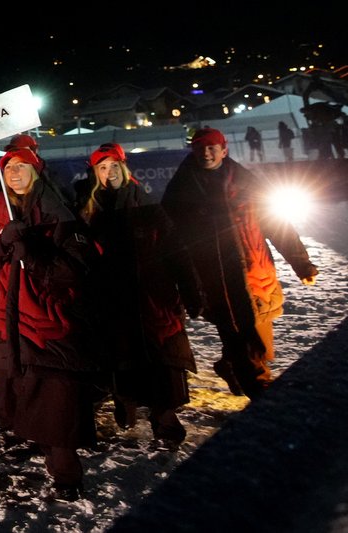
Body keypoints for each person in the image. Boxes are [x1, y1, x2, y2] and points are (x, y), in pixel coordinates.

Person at [0, 147, 104, 501]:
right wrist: (0, 244)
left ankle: (66, 472)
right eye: (9, 168)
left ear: (36, 172)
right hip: (1, 320)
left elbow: (76, 268)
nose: (15, 173)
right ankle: (44, 445)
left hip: (51, 319)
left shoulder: (59, 213)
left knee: (58, 398)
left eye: (22, 167)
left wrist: (34, 255)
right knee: (13, 399)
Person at [161, 127, 319, 398]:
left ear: (224, 150)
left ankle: (230, 365)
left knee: (260, 342)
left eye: (211, 147)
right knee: (241, 339)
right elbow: (172, 242)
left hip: (255, 275)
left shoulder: (247, 183)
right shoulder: (180, 191)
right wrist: (185, 284)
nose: (205, 153)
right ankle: (260, 390)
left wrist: (301, 263)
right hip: (216, 280)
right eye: (199, 148)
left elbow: (277, 226)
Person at [80, 143, 198, 446]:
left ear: (124, 168)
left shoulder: (146, 203)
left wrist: (190, 288)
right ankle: (125, 400)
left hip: (152, 296)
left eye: (114, 166)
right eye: (102, 167)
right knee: (120, 355)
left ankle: (164, 415)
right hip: (111, 299)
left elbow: (175, 248)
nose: (109, 172)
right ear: (95, 173)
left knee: (161, 356)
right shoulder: (88, 211)